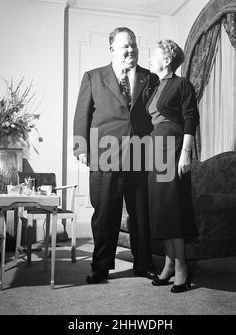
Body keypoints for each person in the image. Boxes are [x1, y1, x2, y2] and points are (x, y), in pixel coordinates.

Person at [73, 27, 158, 284]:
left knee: (142, 213)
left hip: (140, 156)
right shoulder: (93, 77)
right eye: (125, 46)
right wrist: (81, 148)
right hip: (105, 154)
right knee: (105, 214)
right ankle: (100, 267)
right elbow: (81, 115)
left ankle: (143, 264)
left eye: (133, 44)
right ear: (112, 50)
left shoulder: (150, 78)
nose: (130, 49)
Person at [147, 39, 199, 293]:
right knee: (162, 211)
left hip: (174, 147)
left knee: (173, 210)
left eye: (153, 56)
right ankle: (168, 265)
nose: (149, 60)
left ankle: (181, 269)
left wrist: (185, 154)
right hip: (155, 152)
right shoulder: (155, 86)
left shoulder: (182, 84)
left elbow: (191, 119)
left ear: (167, 60)